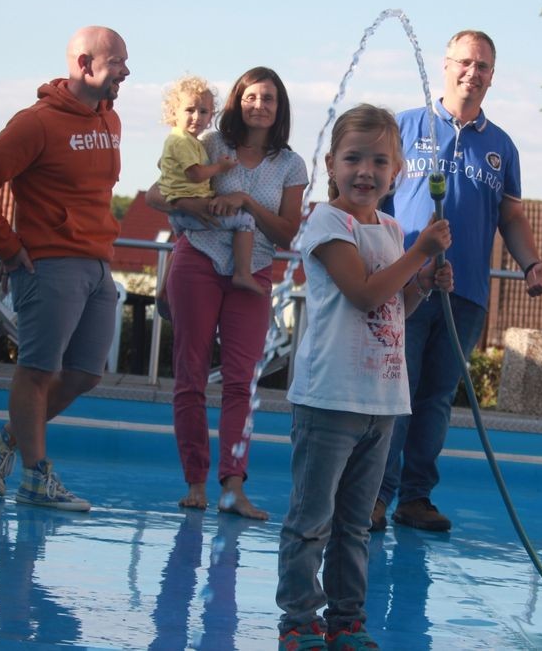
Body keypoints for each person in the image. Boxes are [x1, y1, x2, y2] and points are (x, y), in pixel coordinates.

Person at [276, 103, 453, 650]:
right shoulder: (328, 223)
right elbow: (364, 293)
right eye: (353, 158)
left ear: (397, 171)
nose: (365, 171)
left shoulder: (394, 228)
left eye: (380, 161)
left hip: (382, 400)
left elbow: (394, 305)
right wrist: (419, 253)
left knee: (355, 524)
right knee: (312, 519)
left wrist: (424, 281)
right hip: (330, 396)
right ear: (331, 163)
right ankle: (299, 619)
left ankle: (346, 618)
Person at [374, 30, 542, 533]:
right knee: (397, 393)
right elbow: (375, 204)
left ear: (492, 77)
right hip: (406, 287)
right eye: (465, 63)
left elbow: (511, 217)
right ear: (446, 65)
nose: (473, 74)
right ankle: (376, 496)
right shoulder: (405, 128)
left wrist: (531, 264)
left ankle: (415, 497)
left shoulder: (501, 147)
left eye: (484, 67)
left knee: (436, 398)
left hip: (466, 292)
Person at [0, 26, 130, 512]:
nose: (126, 70)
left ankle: (3, 444)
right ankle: (37, 478)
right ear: (86, 64)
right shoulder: (36, 122)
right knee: (38, 371)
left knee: (85, 373)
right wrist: (9, 248)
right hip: (49, 263)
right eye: (118, 61)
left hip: (98, 263)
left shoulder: (111, 120)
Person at [145, 67, 307, 519]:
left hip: (252, 272)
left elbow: (289, 233)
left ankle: (233, 487)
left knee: (241, 382)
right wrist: (193, 205)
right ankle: (196, 482)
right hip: (197, 259)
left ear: (281, 107)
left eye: (269, 98)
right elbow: (156, 195)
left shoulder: (291, 165)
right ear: (237, 100)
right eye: (252, 96)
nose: (260, 105)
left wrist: (247, 202)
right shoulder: (210, 144)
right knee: (190, 376)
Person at [157, 75, 263, 297]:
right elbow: (195, 174)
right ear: (173, 112)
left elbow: (164, 166)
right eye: (189, 110)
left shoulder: (189, 141)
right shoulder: (182, 141)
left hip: (182, 209)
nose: (196, 117)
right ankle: (243, 273)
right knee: (246, 220)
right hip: (191, 206)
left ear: (211, 116)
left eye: (203, 112)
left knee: (183, 242)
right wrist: (219, 168)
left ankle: (164, 289)